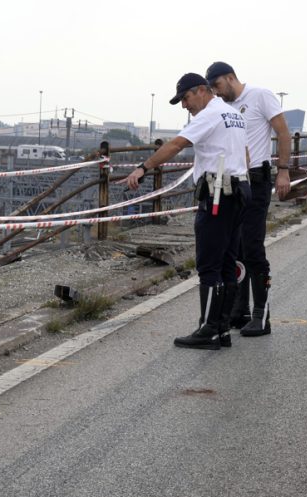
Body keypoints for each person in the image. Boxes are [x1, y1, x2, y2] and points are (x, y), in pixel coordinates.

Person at [120, 73, 251, 350]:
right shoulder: (232, 114)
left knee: (209, 265)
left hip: (218, 194)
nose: (184, 106)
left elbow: (176, 144)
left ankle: (208, 329)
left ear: (202, 90)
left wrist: (143, 168)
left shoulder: (209, 115)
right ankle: (222, 328)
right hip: (238, 191)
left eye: (186, 98)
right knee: (228, 263)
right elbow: (245, 153)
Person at [205, 62, 291, 337]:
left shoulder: (260, 95)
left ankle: (261, 315)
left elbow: (283, 132)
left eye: (218, 86)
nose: (217, 93)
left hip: (258, 179)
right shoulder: (224, 107)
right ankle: (238, 311)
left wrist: (284, 171)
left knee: (252, 248)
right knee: (235, 248)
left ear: (230, 78)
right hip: (237, 181)